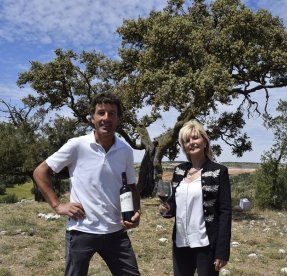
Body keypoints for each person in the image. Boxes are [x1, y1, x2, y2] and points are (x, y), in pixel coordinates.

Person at [33, 92, 141, 276]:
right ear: (92, 118)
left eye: (111, 114)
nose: (106, 118)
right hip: (81, 230)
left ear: (118, 120)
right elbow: (40, 172)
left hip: (115, 230)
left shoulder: (125, 150)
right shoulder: (77, 145)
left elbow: (131, 186)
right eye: (101, 113)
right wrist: (58, 205)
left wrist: (137, 211)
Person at [159, 119, 232, 276]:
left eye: (195, 138)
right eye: (186, 140)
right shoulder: (179, 170)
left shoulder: (219, 172)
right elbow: (173, 205)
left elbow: (225, 212)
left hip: (206, 243)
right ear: (183, 146)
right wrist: (166, 209)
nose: (191, 142)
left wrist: (222, 251)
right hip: (181, 242)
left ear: (204, 141)